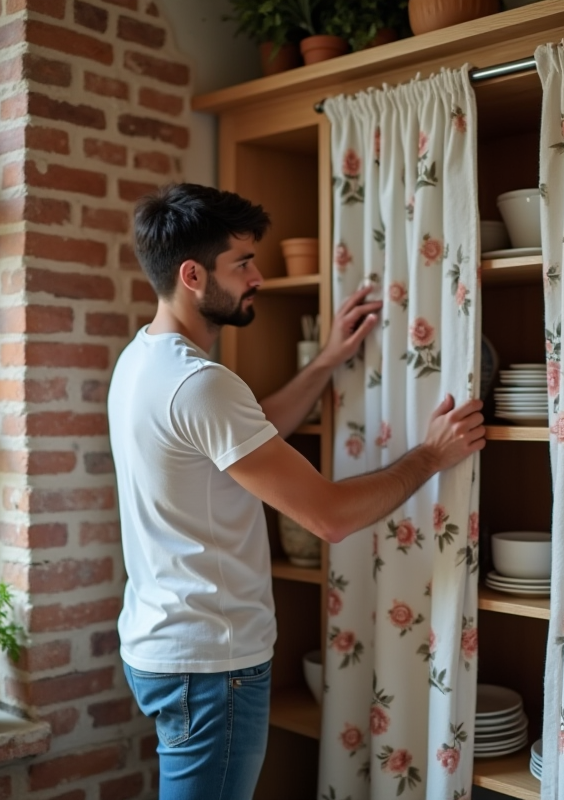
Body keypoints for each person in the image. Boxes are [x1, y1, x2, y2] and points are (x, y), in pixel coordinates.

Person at [107, 183, 486, 800]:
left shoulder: (142, 360)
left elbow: (251, 435)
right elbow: (329, 517)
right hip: (210, 664)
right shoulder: (200, 383)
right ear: (192, 275)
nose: (258, 277)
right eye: (242, 264)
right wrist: (431, 455)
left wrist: (326, 360)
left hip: (166, 645)